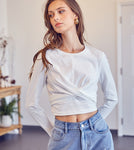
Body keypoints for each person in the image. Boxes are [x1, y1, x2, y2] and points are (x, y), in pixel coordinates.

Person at [25, 0, 118, 149]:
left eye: (61, 11)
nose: (55, 17)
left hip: (99, 136)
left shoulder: (97, 56)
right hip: (63, 136)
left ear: (75, 15)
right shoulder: (45, 58)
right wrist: (55, 132)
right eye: (51, 15)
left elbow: (112, 98)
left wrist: (94, 123)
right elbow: (31, 104)